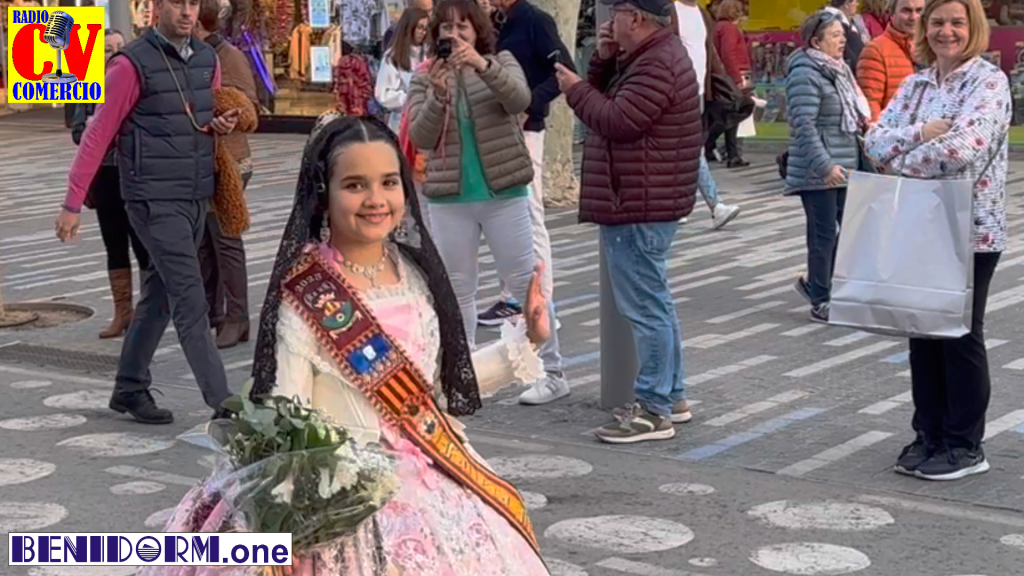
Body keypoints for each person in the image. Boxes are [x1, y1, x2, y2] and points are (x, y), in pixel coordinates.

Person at [137, 114, 551, 575]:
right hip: (340, 499)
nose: (376, 200)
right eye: (355, 185)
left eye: (389, 182)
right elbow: (288, 422)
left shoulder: (416, 275)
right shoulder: (307, 293)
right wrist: (283, 527)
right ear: (323, 195)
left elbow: (431, 394)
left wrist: (527, 341)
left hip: (432, 477)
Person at [54, 0, 238, 424]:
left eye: (194, 3)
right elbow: (98, 132)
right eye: (178, 3)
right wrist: (73, 201)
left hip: (195, 194)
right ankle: (224, 402)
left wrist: (220, 124)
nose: (187, 12)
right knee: (191, 299)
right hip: (151, 198)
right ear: (157, 8)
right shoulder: (130, 64)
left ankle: (129, 387)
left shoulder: (208, 59)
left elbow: (199, 119)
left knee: (159, 295)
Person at [864, 0, 1009, 481]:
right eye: (938, 22)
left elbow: (963, 150)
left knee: (960, 334)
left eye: (956, 22)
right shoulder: (916, 84)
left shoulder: (988, 83)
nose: (946, 31)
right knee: (921, 331)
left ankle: (964, 444)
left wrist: (900, 159)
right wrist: (921, 131)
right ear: (925, 29)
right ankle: (929, 433)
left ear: (974, 28)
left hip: (969, 228)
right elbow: (873, 140)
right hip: (916, 223)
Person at [408, 0, 569, 403]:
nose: (454, 35)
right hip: (449, 198)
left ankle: (553, 371)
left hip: (503, 194)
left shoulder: (502, 60)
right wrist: (439, 95)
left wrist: (481, 65)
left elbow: (520, 99)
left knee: (524, 284)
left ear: (478, 30)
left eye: (463, 27)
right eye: (446, 29)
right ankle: (461, 377)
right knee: (458, 290)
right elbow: (421, 136)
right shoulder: (425, 78)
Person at [555, 0, 702, 443]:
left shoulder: (658, 61)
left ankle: (654, 408)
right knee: (654, 301)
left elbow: (617, 119)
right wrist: (601, 62)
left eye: (615, 15)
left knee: (645, 308)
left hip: (639, 201)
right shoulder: (649, 55)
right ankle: (671, 394)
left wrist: (576, 88)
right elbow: (615, 102)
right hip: (641, 197)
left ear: (635, 18)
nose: (608, 24)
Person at [479, 0, 576, 397]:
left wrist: (531, 104)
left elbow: (564, 70)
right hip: (496, 131)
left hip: (526, 130)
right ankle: (511, 296)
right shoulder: (494, 23)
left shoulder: (534, 20)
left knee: (529, 216)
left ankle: (542, 302)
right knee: (505, 216)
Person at [786, 10, 870, 323]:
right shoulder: (805, 72)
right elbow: (803, 125)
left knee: (850, 231)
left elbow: (853, 114)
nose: (842, 40)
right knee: (823, 236)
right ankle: (820, 300)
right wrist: (824, 165)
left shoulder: (839, 70)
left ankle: (818, 284)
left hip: (845, 163)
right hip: (818, 170)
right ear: (815, 41)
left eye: (842, 34)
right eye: (835, 35)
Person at [70, 30, 152, 340]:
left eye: (119, 47)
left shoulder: (135, 81)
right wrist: (94, 130)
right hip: (104, 177)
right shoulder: (86, 87)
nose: (113, 53)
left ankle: (147, 315)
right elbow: (78, 131)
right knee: (114, 244)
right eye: (107, 49)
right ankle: (122, 312)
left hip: (135, 175)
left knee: (143, 244)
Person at [195, 0, 259, 350]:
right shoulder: (198, 53)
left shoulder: (227, 55)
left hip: (230, 162)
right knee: (207, 241)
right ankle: (212, 312)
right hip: (206, 159)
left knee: (225, 239)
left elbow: (247, 105)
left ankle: (237, 317)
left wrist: (216, 106)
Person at [673, 0, 742, 229]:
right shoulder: (669, 11)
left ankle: (680, 206)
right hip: (677, 91)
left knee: (687, 149)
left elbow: (708, 51)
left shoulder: (702, 14)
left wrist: (721, 81)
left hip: (700, 92)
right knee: (692, 147)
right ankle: (714, 205)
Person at [856, 0, 924, 123]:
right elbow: (871, 106)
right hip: (894, 135)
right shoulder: (876, 50)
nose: (914, 17)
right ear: (892, 14)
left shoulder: (932, 49)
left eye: (919, 10)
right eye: (906, 10)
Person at [709, 0, 752, 168]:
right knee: (737, 112)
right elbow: (729, 54)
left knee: (728, 115)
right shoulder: (729, 29)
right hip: (733, 77)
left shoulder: (717, 27)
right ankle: (722, 149)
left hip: (722, 77)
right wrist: (737, 79)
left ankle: (728, 152)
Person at [376, 8, 430, 133]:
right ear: (409, 27)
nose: (423, 32)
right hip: (402, 121)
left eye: (426, 28)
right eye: (419, 28)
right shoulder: (393, 56)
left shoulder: (428, 53)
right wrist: (408, 98)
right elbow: (382, 94)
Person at [826, 0, 867, 69]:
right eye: (856, 1)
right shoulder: (835, 25)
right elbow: (849, 56)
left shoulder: (849, 22)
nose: (857, 4)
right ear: (847, 4)